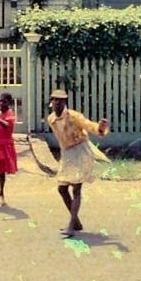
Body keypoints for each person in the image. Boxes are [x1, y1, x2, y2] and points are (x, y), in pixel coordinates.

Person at [48, 89, 110, 237]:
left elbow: (88, 125)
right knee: (62, 189)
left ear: (64, 102)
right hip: (67, 153)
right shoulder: (51, 119)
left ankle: (71, 225)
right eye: (55, 100)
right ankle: (76, 222)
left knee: (76, 188)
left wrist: (100, 128)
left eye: (60, 100)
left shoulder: (74, 116)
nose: (57, 103)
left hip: (81, 150)